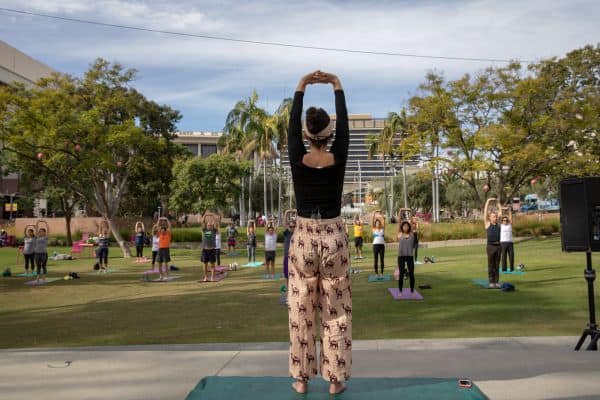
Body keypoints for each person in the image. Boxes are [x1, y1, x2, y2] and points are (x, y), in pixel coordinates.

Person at [287, 70, 351, 395]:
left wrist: (303, 85)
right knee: (336, 310)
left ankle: (301, 378)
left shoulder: (298, 157)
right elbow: (346, 128)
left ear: (307, 134)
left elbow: (291, 125)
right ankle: (335, 379)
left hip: (303, 237)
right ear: (328, 133)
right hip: (333, 235)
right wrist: (335, 84)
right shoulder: (338, 157)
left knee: (301, 307)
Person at [484, 199, 501, 288]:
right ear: (490, 217)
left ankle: (496, 282)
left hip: (498, 246)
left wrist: (498, 202)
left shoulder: (499, 224)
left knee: (497, 265)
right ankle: (491, 282)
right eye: (493, 216)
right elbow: (485, 212)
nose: (495, 217)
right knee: (491, 265)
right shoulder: (487, 224)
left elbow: (500, 212)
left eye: (496, 216)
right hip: (490, 246)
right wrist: (488, 201)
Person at [397, 221, 416, 295]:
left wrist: (410, 212)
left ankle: (412, 291)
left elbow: (411, 223)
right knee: (401, 274)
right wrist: (400, 212)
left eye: (407, 226)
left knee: (411, 274)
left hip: (410, 256)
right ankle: (400, 291)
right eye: (404, 226)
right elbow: (398, 223)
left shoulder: (411, 235)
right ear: (402, 227)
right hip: (401, 256)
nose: (406, 227)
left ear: (409, 227)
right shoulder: (399, 234)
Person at [282, 220, 295, 288]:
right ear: (288, 227)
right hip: (287, 257)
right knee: (287, 275)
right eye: (290, 226)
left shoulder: (297, 233)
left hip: (295, 257)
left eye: (293, 226)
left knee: (295, 275)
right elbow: (284, 223)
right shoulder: (287, 233)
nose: (292, 228)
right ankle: (288, 291)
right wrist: (287, 212)